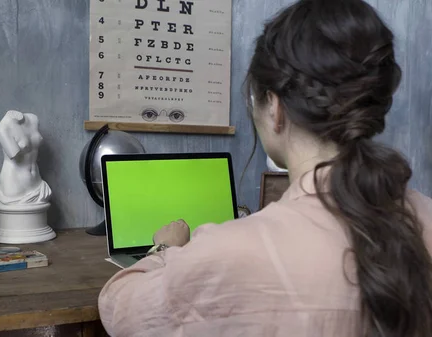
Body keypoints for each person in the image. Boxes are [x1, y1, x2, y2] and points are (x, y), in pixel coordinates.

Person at [98, 0, 432, 336]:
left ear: (274, 107)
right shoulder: (426, 216)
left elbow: (119, 310)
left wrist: (164, 249)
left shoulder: (231, 254)